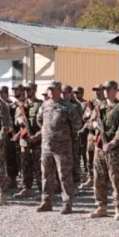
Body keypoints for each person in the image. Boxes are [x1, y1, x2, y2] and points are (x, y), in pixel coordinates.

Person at [90, 80, 119, 220]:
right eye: (104, 89)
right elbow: (89, 122)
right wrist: (93, 124)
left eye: (108, 89)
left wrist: (113, 142)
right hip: (100, 147)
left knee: (115, 179)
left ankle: (118, 208)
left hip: (114, 149)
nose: (105, 91)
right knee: (98, 178)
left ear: (115, 90)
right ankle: (101, 206)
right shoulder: (99, 107)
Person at [38, 80, 79, 214]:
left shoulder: (67, 106)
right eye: (49, 89)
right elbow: (39, 120)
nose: (50, 91)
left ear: (59, 90)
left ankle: (67, 203)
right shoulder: (44, 105)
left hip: (63, 147)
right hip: (47, 146)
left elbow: (77, 124)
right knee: (46, 175)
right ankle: (46, 202)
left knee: (64, 176)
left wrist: (63, 134)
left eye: (52, 89)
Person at [15, 83, 43, 198]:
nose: (26, 92)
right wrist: (19, 121)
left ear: (34, 90)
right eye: (24, 90)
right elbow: (16, 121)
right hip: (25, 140)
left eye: (28, 90)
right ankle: (27, 188)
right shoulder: (21, 105)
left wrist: (37, 136)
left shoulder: (40, 104)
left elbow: (45, 124)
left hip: (37, 141)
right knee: (25, 166)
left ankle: (42, 191)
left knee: (39, 167)